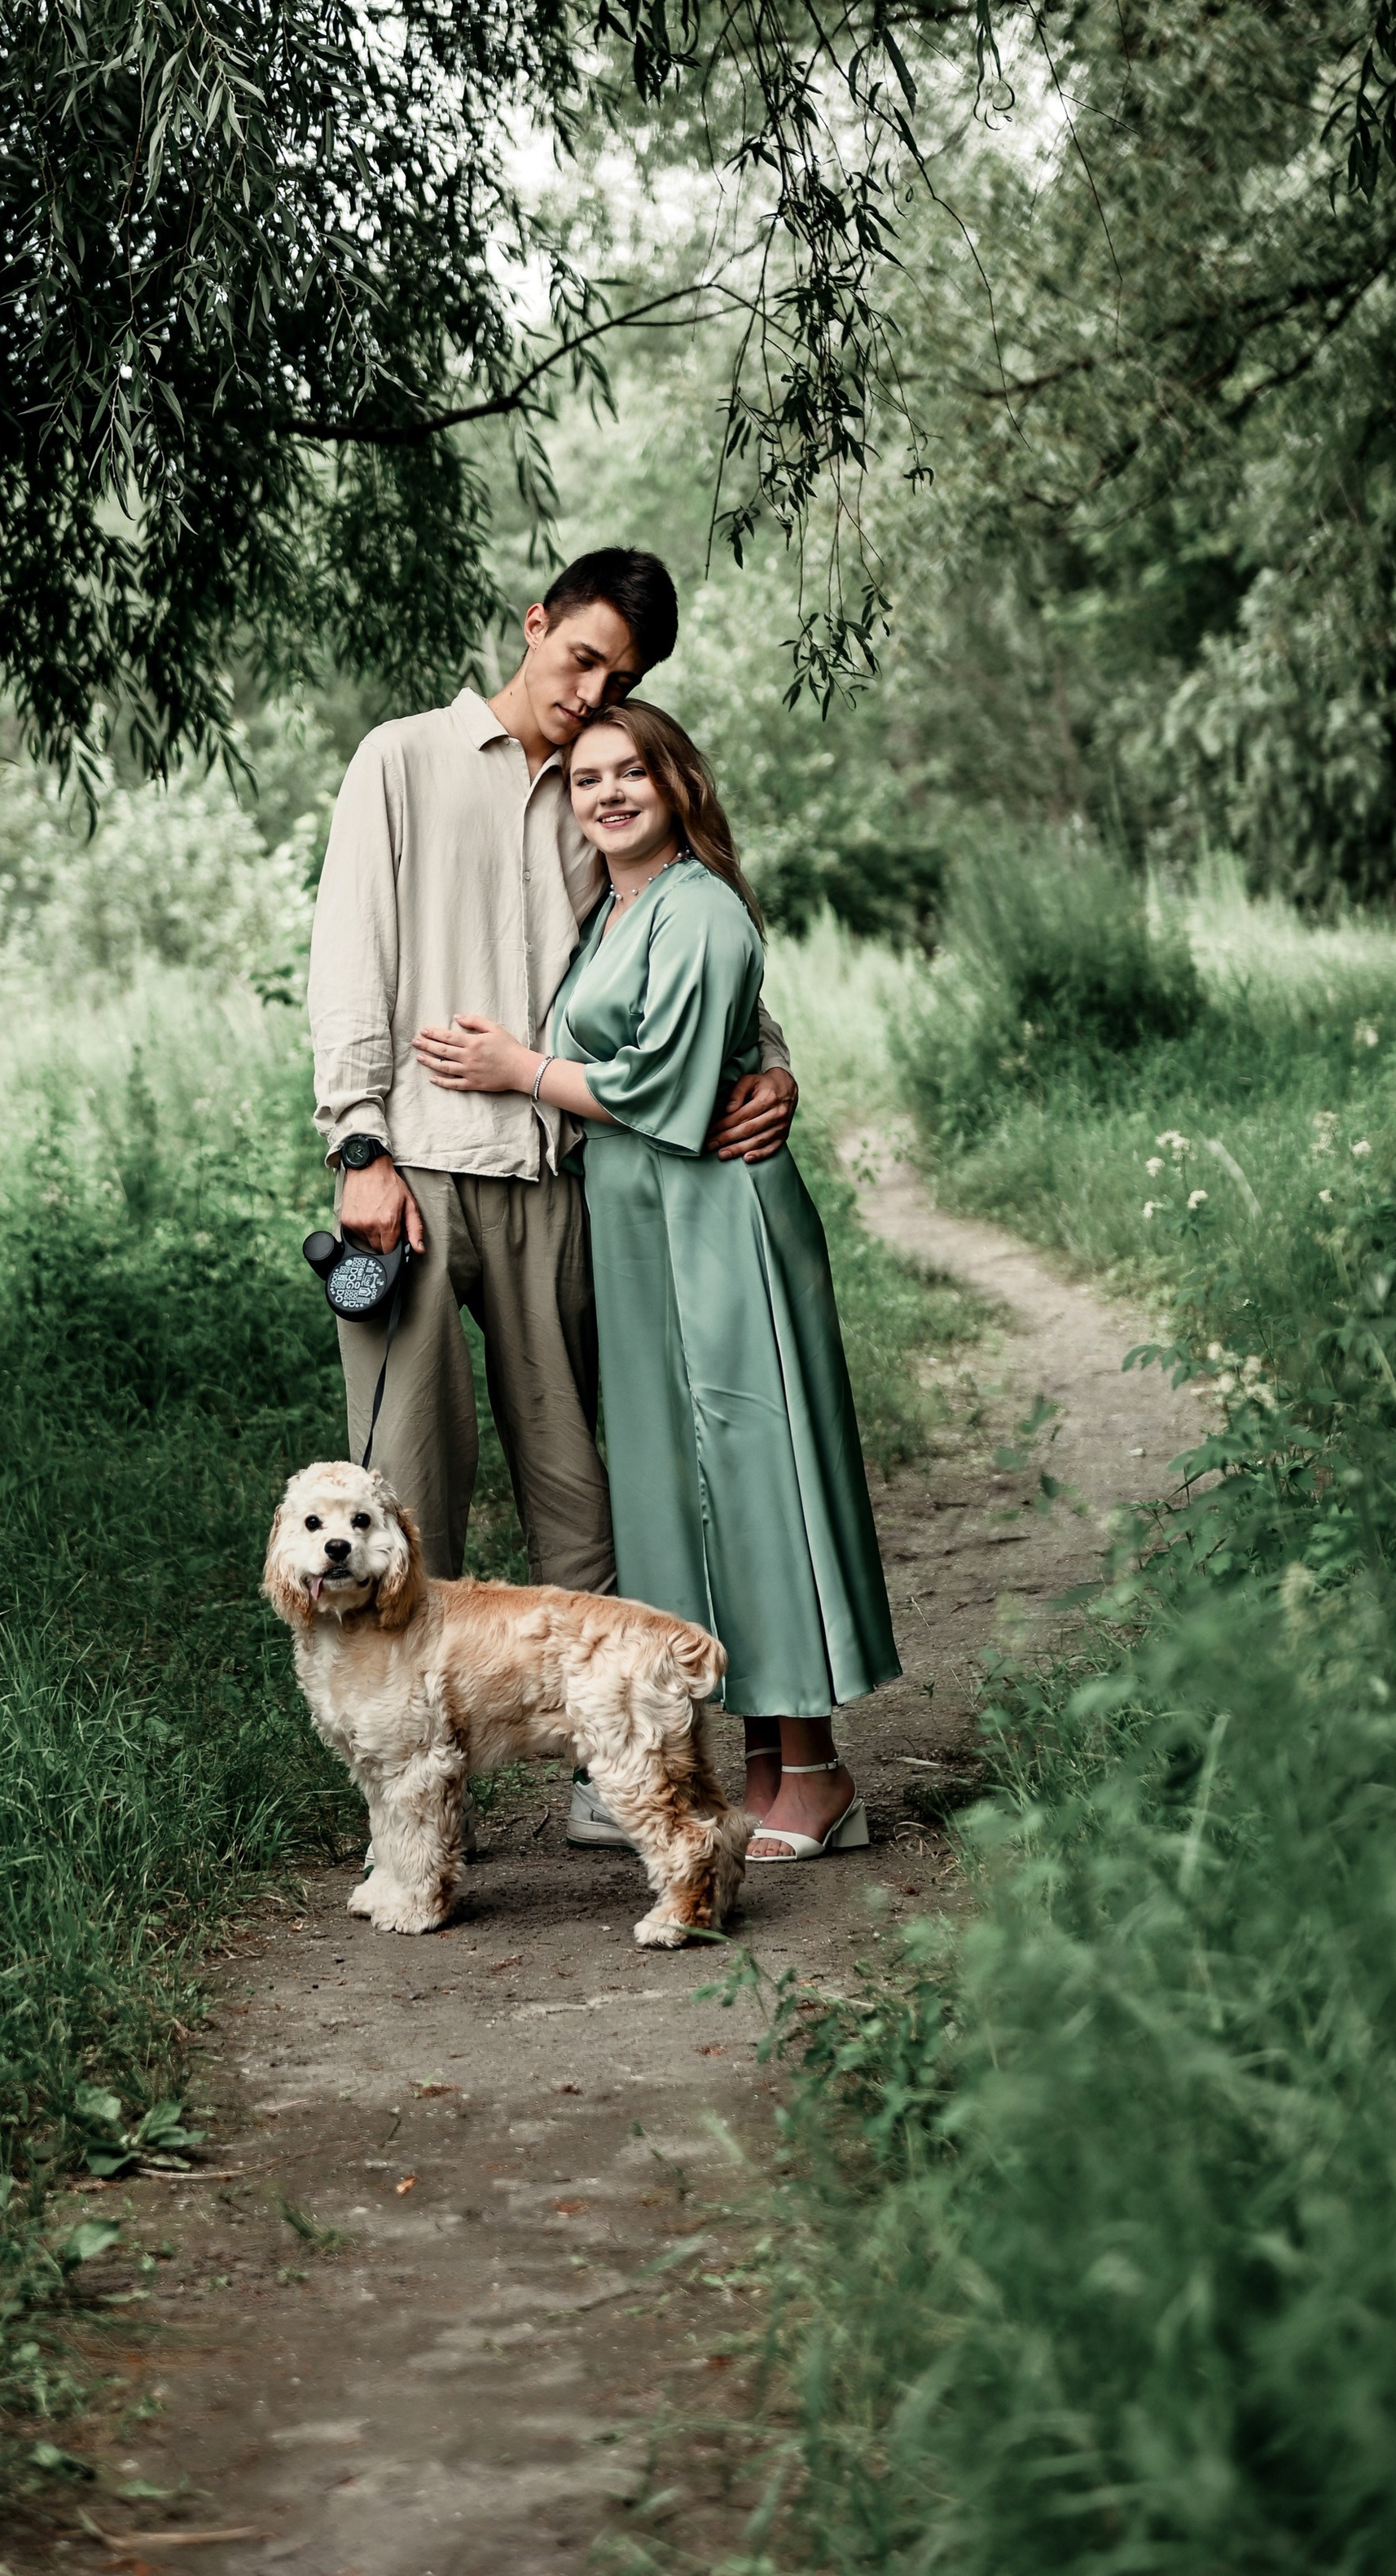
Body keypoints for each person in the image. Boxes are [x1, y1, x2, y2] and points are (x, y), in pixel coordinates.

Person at [306, 552, 797, 1847]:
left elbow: (681, 933)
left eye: (621, 679)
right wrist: (356, 1141)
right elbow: (348, 953)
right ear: (534, 626)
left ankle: (609, 1756)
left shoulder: (600, 789)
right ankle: (418, 1795)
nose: (594, 694)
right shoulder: (401, 760)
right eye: (581, 658)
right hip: (412, 1174)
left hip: (563, 1179)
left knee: (585, 1488)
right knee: (405, 1492)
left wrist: (772, 1061)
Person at [415, 698, 899, 1864]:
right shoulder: (616, 909)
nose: (610, 793)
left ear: (677, 782)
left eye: (633, 771)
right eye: (588, 779)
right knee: (687, 1493)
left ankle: (819, 1772)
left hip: (718, 1220)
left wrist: (518, 1069)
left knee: (756, 1474)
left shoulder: (700, 907)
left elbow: (673, 1088)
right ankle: (764, 1768)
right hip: (643, 1238)